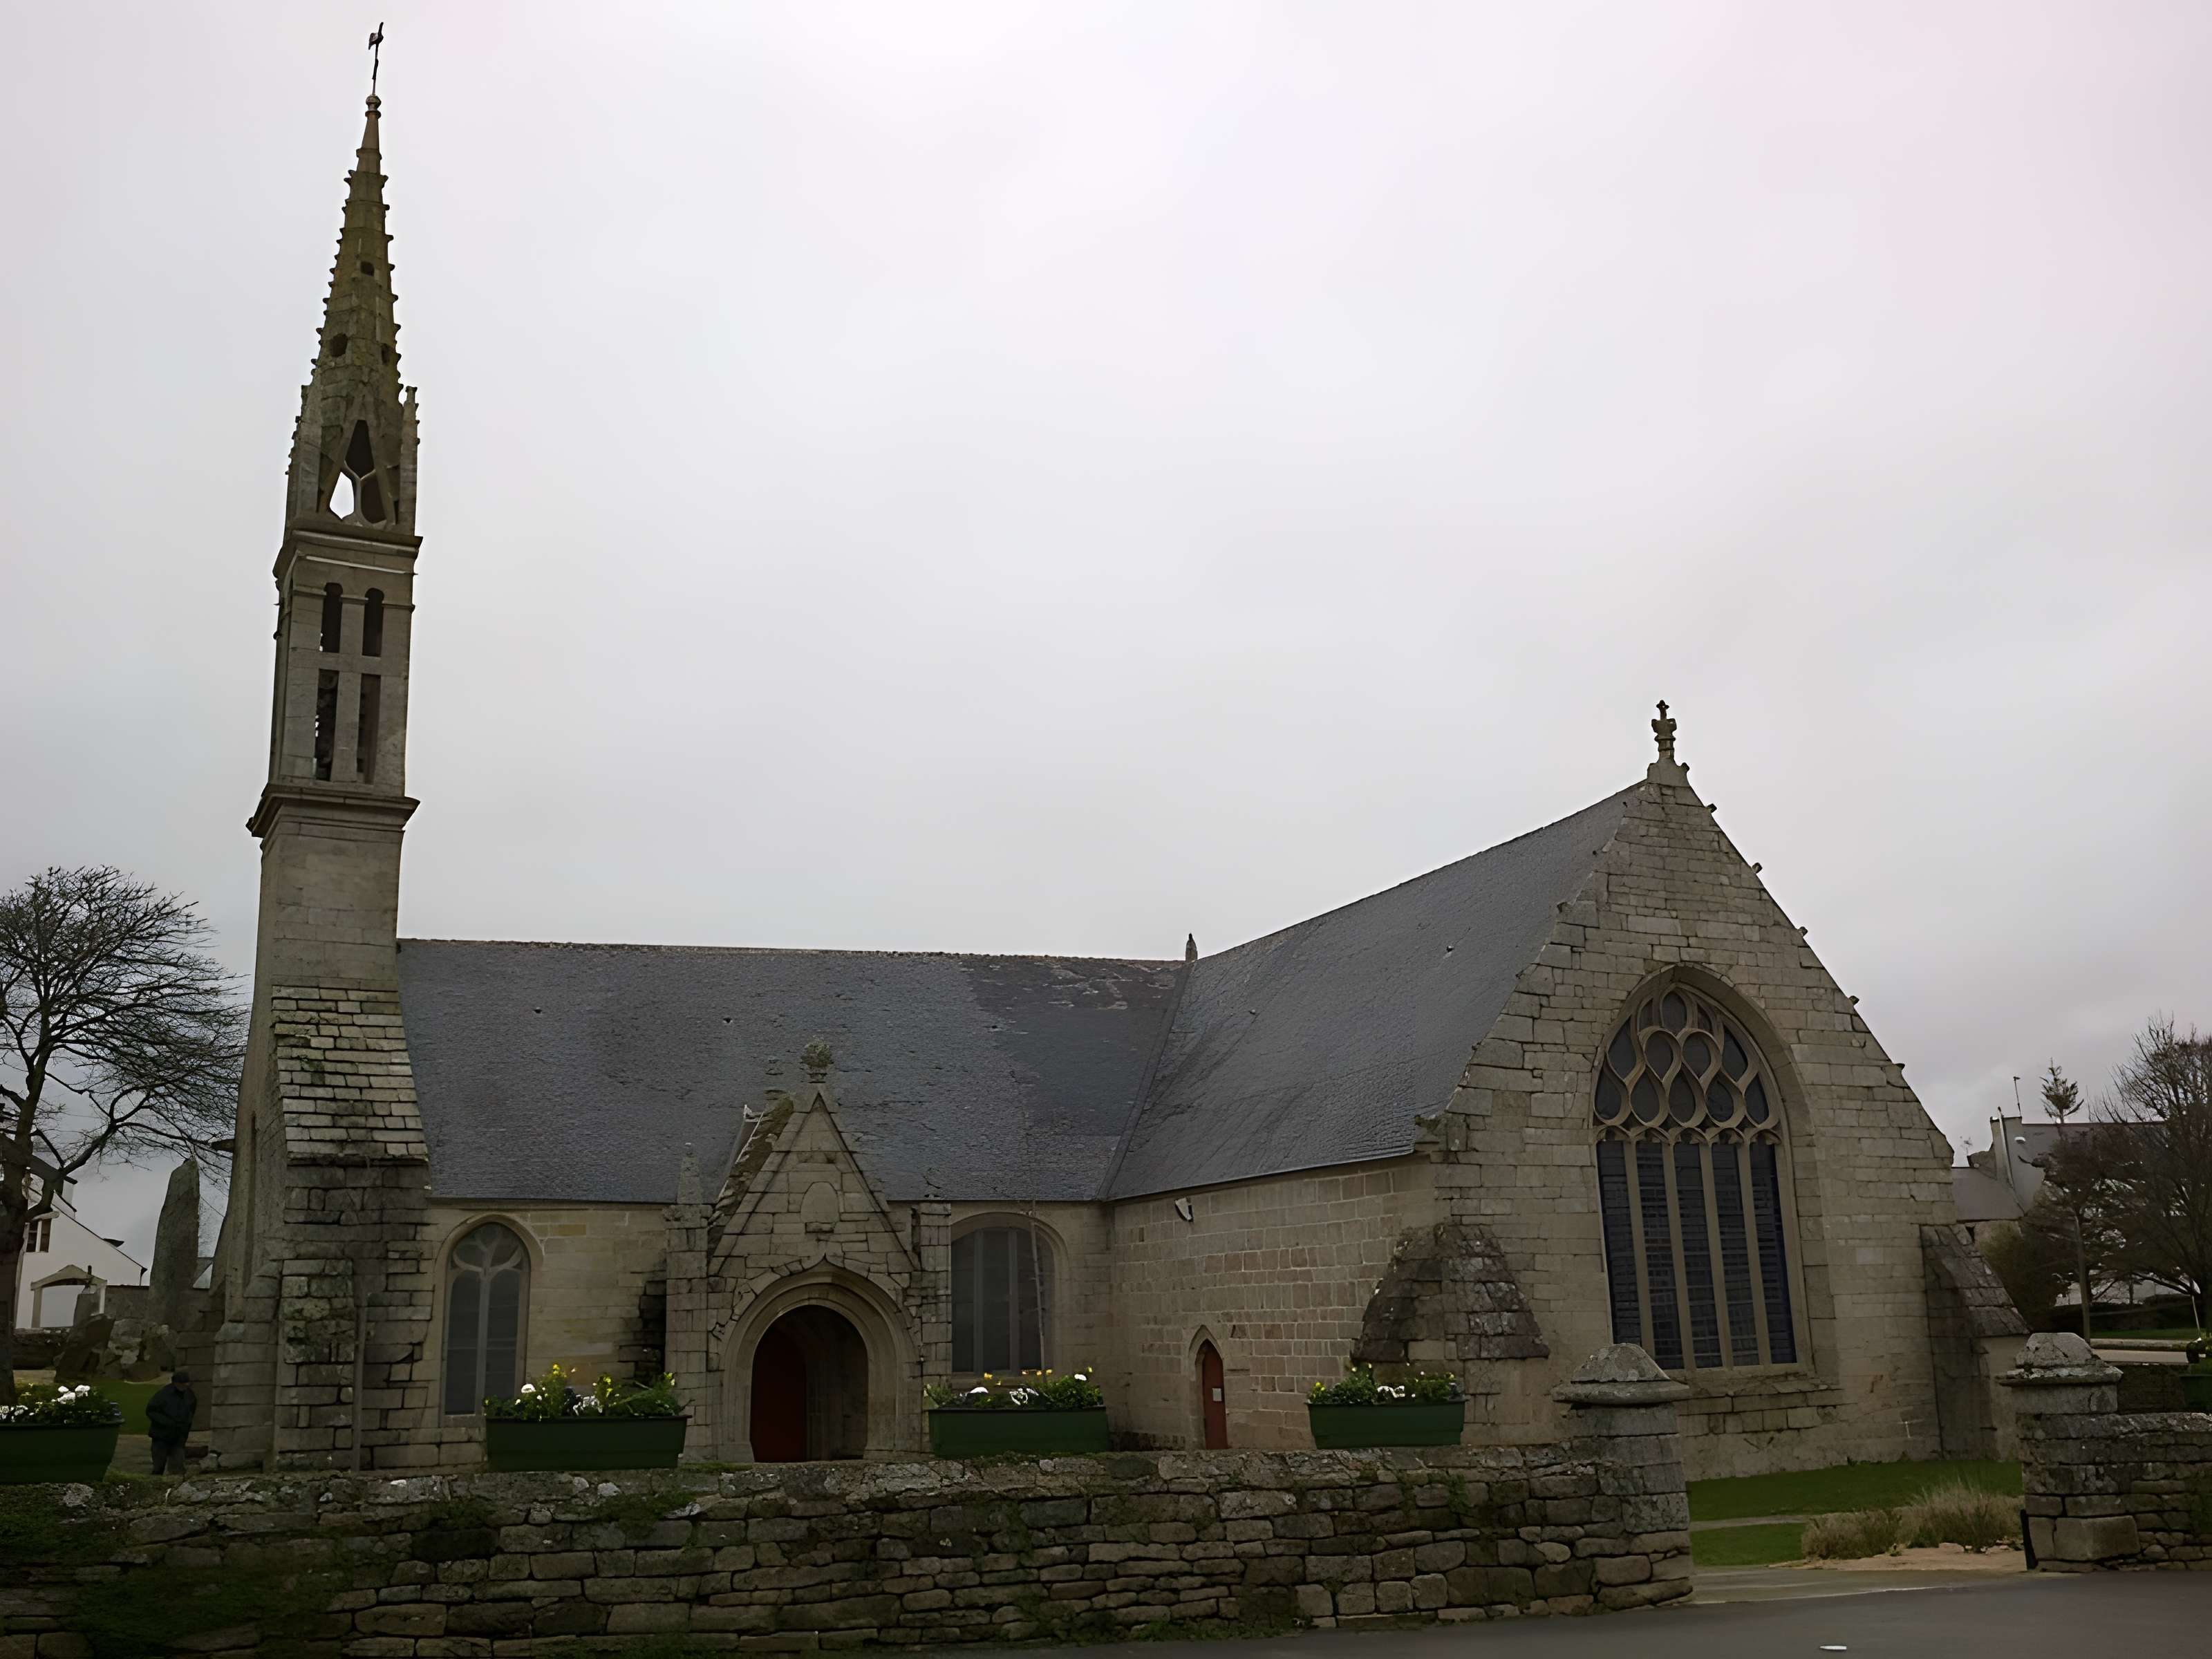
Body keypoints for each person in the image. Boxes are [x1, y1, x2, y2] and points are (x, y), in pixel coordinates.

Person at [146, 1369, 196, 1475]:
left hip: (179, 1436)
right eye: (182, 1384)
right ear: (175, 1383)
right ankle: (157, 1482)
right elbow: (151, 1411)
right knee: (159, 1467)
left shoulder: (189, 1395)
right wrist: (167, 1423)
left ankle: (176, 1481)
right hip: (162, 1436)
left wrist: (185, 1428)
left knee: (178, 1466)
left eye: (186, 1384)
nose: (185, 1386)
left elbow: (191, 1411)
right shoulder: (163, 1395)